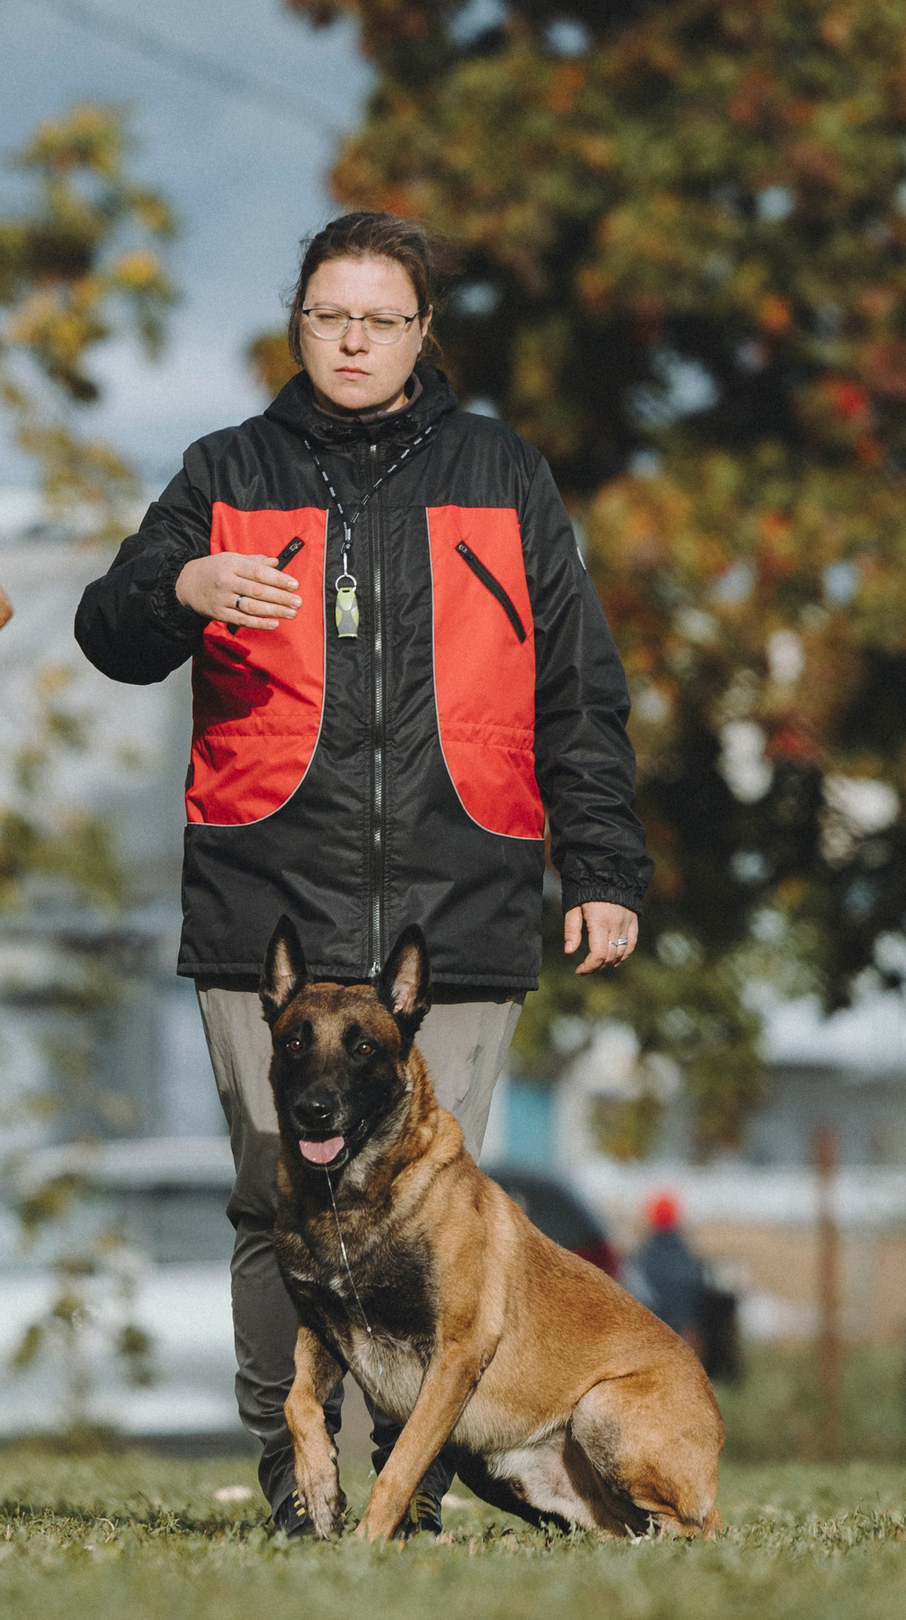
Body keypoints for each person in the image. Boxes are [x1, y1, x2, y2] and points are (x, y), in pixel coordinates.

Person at [74, 211, 651, 1535]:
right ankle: (301, 1487)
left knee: (428, 1221)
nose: (351, 338)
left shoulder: (504, 474)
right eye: (329, 314)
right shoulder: (223, 471)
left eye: (379, 318)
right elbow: (109, 629)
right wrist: (184, 589)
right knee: (274, 1207)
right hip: (264, 909)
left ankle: (410, 1490)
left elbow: (578, 690)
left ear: (421, 333)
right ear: (298, 322)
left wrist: (602, 864)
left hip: (463, 908)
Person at [629, 1192, 710, 1358]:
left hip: (650, 1334)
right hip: (684, 1333)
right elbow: (698, 1292)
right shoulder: (688, 1257)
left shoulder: (642, 1257)